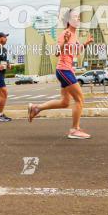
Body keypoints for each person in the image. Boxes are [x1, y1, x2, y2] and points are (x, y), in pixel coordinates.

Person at [28, 10, 93, 139]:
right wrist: (64, 41)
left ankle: (36, 108)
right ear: (68, 21)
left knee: (64, 102)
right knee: (79, 99)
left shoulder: (74, 35)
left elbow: (76, 51)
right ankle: (74, 130)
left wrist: (86, 43)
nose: (78, 19)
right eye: (75, 17)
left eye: (79, 17)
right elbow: (57, 52)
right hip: (64, 70)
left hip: (68, 70)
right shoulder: (66, 33)